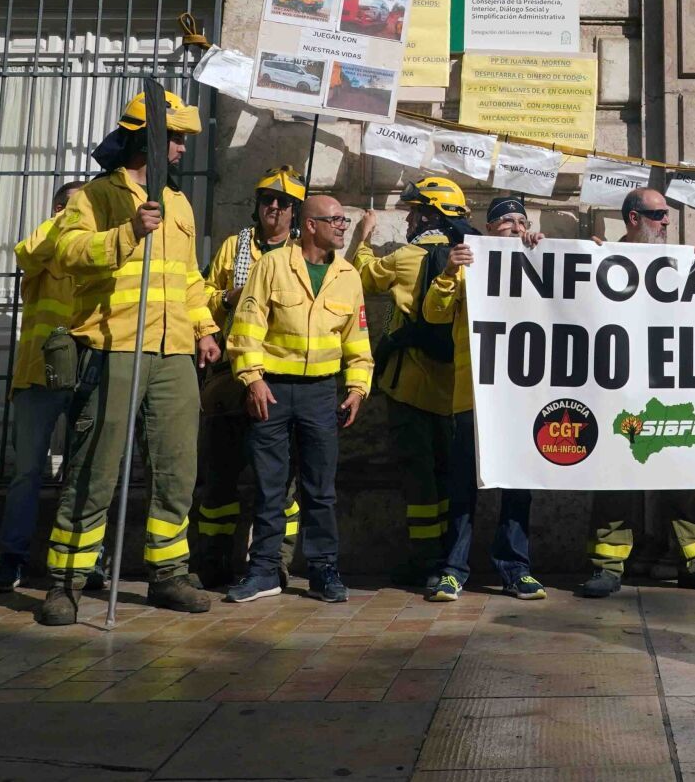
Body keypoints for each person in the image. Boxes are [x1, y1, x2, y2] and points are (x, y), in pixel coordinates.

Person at [35, 90, 219, 627]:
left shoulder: (179, 203)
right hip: (115, 347)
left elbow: (188, 276)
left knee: (177, 467)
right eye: (175, 138)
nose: (182, 148)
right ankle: (66, 582)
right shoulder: (93, 196)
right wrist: (129, 231)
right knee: (95, 468)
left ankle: (168, 574)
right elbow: (67, 253)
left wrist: (204, 327)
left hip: (174, 351)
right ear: (146, 139)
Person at [578, 187, 695, 598]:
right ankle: (607, 567)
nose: (668, 221)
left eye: (667, 214)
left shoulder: (679, 262)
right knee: (616, 482)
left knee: (682, 479)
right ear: (633, 218)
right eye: (659, 214)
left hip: (670, 396)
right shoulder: (604, 259)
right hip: (621, 397)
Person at [224, 193, 368, 603]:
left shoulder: (348, 275)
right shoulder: (271, 265)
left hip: (321, 394)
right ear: (310, 225)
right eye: (335, 219)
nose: (343, 226)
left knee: (320, 489)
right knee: (270, 487)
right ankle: (265, 570)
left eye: (344, 219)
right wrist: (252, 379)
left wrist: (357, 388)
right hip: (272, 390)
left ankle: (324, 571)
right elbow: (247, 328)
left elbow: (357, 340)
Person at [351, 176, 474, 593]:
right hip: (455, 390)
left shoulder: (406, 257)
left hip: (409, 388)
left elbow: (362, 278)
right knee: (444, 477)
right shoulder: (473, 259)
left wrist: (363, 238)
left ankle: (426, 560)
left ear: (427, 214)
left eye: (412, 212)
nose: (407, 220)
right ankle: (445, 554)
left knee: (419, 480)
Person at [424, 195, 548, 601]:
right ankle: (454, 569)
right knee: (462, 489)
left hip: (522, 403)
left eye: (520, 220)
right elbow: (433, 316)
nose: (514, 226)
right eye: (505, 221)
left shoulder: (539, 259)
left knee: (518, 487)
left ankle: (515, 568)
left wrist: (548, 252)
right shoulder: (467, 266)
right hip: (470, 400)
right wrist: (448, 271)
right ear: (490, 228)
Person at [194, 167, 305, 587]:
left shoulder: (302, 254)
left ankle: (276, 561)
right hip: (230, 378)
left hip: (280, 379)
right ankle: (213, 562)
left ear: (295, 212)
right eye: (266, 200)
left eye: (283, 203)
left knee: (280, 483)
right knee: (220, 476)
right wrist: (227, 298)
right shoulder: (233, 248)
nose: (273, 208)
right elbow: (202, 298)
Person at [0, 181, 93, 594]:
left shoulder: (93, 245)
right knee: (27, 473)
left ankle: (85, 559)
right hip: (38, 374)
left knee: (86, 473)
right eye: (73, 208)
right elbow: (26, 253)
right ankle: (12, 559)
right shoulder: (45, 242)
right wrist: (70, 216)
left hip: (87, 369)